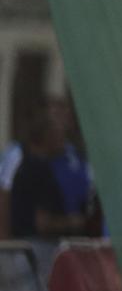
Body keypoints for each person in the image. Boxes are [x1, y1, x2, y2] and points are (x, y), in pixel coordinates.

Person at [9, 98, 96, 241]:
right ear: (47, 135)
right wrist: (77, 222)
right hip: (38, 247)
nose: (63, 138)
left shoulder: (35, 165)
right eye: (59, 132)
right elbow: (42, 223)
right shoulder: (35, 168)